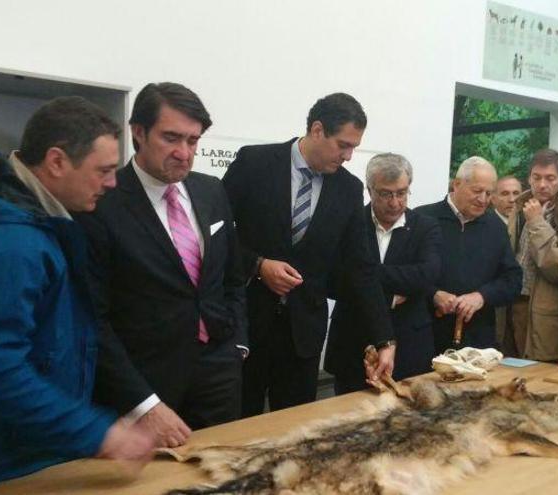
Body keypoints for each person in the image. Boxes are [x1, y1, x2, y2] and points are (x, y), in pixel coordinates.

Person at [0, 97, 153, 488]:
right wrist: (98, 433)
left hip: (23, 446)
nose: (112, 182)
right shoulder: (10, 245)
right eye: (103, 170)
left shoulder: (7, 204)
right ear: (56, 162)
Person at [74, 83, 248, 447]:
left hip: (218, 372)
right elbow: (93, 317)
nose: (184, 153)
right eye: (171, 138)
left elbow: (231, 277)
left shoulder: (210, 191)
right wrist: (142, 403)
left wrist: (237, 346)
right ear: (138, 132)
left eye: (193, 141)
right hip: (145, 385)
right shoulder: (101, 201)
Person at [222, 93, 394, 416]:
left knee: (295, 430)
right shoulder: (254, 164)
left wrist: (384, 338)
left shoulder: (347, 189)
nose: (348, 155)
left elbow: (362, 268)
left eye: (354, 146)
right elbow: (215, 233)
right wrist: (258, 265)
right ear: (317, 130)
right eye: (343, 145)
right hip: (246, 327)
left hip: (303, 336)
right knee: (237, 426)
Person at [325, 153, 441, 393]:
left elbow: (427, 275)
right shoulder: (348, 222)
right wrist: (388, 296)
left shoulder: (425, 226)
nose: (395, 202)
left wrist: (364, 274)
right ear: (369, 190)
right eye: (386, 193)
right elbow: (332, 279)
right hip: (352, 341)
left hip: (409, 345)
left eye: (402, 192)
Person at [416, 157, 522, 352]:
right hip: (425, 335)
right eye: (477, 191)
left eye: (489, 193)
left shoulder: (495, 226)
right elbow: (403, 274)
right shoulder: (422, 219)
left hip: (477, 341)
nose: (483, 199)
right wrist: (433, 294)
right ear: (456, 184)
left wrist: (481, 296)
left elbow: (513, 279)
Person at [513, 149, 558, 361]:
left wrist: (537, 222)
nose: (542, 184)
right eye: (536, 178)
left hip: (548, 310)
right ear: (529, 178)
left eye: (550, 178)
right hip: (514, 303)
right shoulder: (518, 208)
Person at [491, 175, 524, 354]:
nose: (512, 199)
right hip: (495, 306)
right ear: (493, 197)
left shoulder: (526, 222)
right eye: (505, 193)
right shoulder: (487, 224)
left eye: (516, 193)